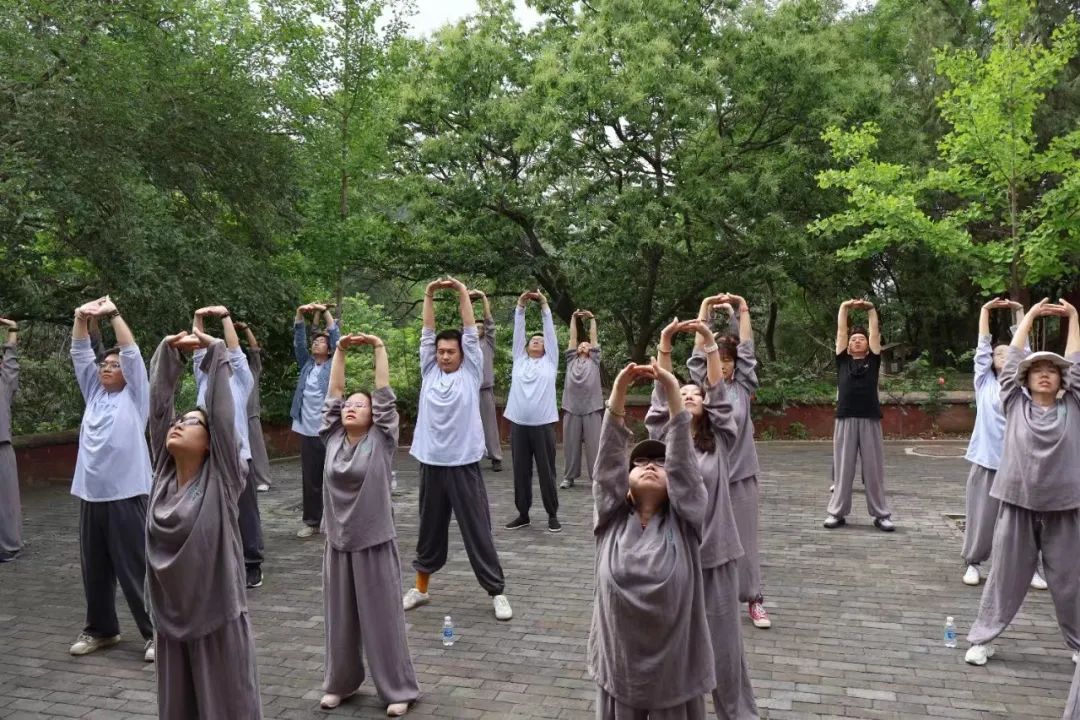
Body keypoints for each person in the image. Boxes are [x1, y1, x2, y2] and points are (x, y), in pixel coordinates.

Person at [146, 327, 262, 718]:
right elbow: (159, 408)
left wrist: (215, 352)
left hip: (216, 619)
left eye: (192, 423)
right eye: (180, 421)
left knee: (224, 707)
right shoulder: (161, 476)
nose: (179, 424)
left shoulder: (224, 478)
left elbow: (225, 413)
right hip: (170, 619)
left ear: (212, 442)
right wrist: (167, 352)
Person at [589, 359, 715, 719]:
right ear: (625, 483)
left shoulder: (685, 522)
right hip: (621, 673)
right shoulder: (610, 521)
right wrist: (617, 394)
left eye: (659, 463)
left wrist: (675, 394)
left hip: (674, 678)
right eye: (640, 461)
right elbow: (607, 467)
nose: (648, 465)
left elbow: (686, 468)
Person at [653, 318, 760, 720]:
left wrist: (711, 344)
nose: (689, 395)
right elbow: (661, 395)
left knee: (725, 648)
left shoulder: (722, 440)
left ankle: (738, 714)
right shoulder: (665, 438)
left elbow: (718, 392)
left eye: (694, 392)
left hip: (715, 555)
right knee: (675, 646)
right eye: (683, 393)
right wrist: (665, 343)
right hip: (672, 558)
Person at [965, 298, 1080, 667]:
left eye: (1053, 370)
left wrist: (1074, 317)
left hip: (1065, 508)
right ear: (1026, 379)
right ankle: (982, 639)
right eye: (1037, 369)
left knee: (1069, 582)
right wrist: (1028, 317)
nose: (1045, 373)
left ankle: (1077, 646)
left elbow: (1076, 364)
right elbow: (1012, 361)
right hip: (1016, 504)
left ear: (1062, 379)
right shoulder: (1014, 402)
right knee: (1004, 577)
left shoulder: (1073, 405)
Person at [317, 332, 419, 715]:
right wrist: (339, 350)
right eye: (348, 405)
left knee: (382, 622)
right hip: (338, 544)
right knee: (339, 622)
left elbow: (384, 393)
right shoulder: (331, 438)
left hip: (374, 542)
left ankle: (398, 690)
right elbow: (335, 391)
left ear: (374, 414)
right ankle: (339, 683)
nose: (350, 408)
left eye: (360, 405)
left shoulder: (382, 438)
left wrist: (378, 347)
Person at [403, 277, 512, 621]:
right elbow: (426, 331)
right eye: (441, 351)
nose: (445, 355)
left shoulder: (471, 371)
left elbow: (469, 328)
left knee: (477, 528)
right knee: (429, 529)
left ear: (464, 353)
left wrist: (463, 292)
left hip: (464, 463)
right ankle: (420, 589)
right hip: (431, 463)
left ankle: (497, 592)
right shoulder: (429, 370)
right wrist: (430, 294)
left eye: (451, 352)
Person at [68, 296, 155, 661]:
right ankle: (101, 630)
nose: (107, 367)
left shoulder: (135, 397)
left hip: (126, 494)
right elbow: (79, 352)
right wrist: (80, 317)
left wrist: (114, 312)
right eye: (105, 363)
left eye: (114, 365)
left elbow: (131, 352)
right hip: (91, 495)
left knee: (135, 566)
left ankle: (156, 633)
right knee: (96, 569)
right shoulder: (93, 394)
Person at [689, 294, 771, 629]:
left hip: (740, 473)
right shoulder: (702, 386)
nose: (723, 363)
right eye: (718, 357)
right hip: (706, 474)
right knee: (703, 538)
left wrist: (743, 308)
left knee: (745, 540)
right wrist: (704, 308)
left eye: (728, 358)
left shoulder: (743, 385)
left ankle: (754, 599)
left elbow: (749, 348)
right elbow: (697, 352)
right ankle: (700, 601)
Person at [961, 299, 1047, 590]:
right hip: (987, 461)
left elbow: (1027, 352)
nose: (1002, 355)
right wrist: (985, 311)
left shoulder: (1024, 386)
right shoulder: (984, 383)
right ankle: (973, 561)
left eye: (1008, 352)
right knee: (982, 518)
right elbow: (982, 349)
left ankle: (1029, 567)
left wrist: (1020, 313)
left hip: (1020, 463)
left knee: (1025, 521)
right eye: (998, 352)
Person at [191, 307, 265, 590]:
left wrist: (224, 318)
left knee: (245, 513)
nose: (212, 359)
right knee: (208, 512)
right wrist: (198, 317)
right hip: (206, 461)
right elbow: (198, 350)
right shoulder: (204, 381)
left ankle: (252, 564)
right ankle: (214, 562)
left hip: (238, 457)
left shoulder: (240, 381)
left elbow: (234, 350)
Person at [823, 299, 894, 531]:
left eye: (860, 339)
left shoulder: (873, 360)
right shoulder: (842, 360)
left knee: (873, 470)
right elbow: (841, 331)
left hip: (870, 418)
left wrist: (871, 309)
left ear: (867, 344)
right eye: (853, 339)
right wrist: (844, 306)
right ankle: (837, 513)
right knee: (843, 469)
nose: (856, 341)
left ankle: (881, 515)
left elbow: (875, 333)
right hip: (845, 418)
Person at [504, 289, 562, 533]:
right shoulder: (519, 359)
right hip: (518, 424)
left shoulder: (550, 362)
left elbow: (549, 332)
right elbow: (518, 332)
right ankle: (523, 513)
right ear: (526, 346)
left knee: (547, 471)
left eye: (541, 340)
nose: (537, 340)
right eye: (533, 340)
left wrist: (545, 305)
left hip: (543, 425)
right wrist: (520, 306)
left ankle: (552, 515)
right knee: (520, 472)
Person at [292, 303, 341, 538]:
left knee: (333, 475)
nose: (316, 343)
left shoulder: (332, 367)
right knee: (310, 478)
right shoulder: (306, 366)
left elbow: (336, 337)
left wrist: (325, 311)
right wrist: (300, 315)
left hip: (328, 429)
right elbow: (299, 342)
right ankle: (312, 521)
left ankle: (334, 519)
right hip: (307, 428)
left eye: (321, 342)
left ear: (330, 350)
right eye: (315, 342)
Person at [560, 309, 603, 490]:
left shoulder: (594, 359)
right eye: (581, 344)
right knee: (570, 445)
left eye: (587, 345)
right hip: (571, 406)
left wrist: (592, 318)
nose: (584, 346)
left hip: (592, 406)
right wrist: (573, 318)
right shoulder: (571, 360)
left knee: (595, 445)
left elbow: (594, 339)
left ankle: (597, 478)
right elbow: (572, 338)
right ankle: (569, 477)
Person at [235, 321, 274, 493]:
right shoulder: (228, 372)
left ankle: (263, 479)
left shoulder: (253, 369)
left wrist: (245, 329)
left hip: (250, 414)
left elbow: (255, 349)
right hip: (234, 417)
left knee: (257, 448)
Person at [473, 290, 503, 472]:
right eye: (474, 327)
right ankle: (470, 456)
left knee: (490, 425)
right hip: (467, 390)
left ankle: (496, 458)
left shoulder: (488, 343)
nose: (477, 330)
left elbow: (490, 322)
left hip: (485, 389)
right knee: (467, 425)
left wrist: (483, 298)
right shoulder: (464, 344)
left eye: (480, 327)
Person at [0, 317, 21, 563]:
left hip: (2, 446)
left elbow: (11, 358)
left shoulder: (5, 382)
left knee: (6, 501)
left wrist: (12, 328)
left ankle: (9, 546)